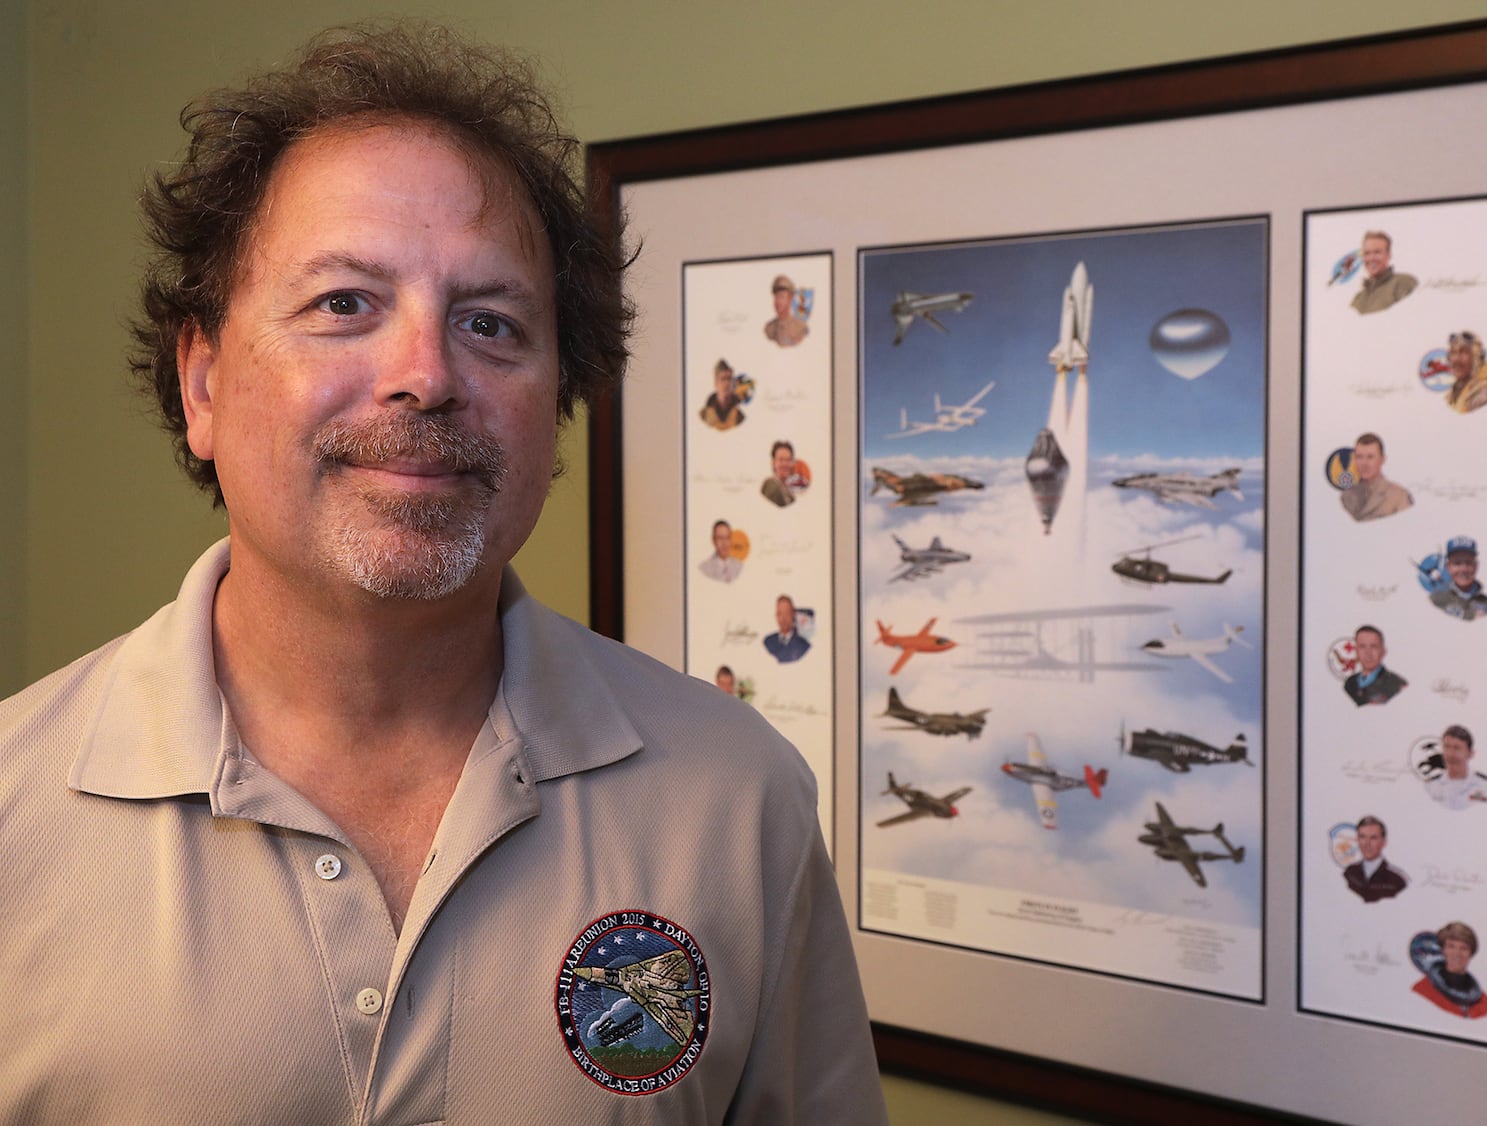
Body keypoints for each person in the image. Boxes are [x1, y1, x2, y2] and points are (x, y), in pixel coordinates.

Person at [0, 24, 885, 1123]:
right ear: (204, 383)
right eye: (344, 304)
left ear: (555, 404)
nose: (426, 374)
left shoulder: (738, 800)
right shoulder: (14, 816)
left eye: (490, 322)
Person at [1412, 922, 1487, 1019]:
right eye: (1451, 946)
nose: (1457, 954)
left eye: (1464, 948)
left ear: (1471, 953)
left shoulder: (1486, 1003)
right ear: (1443, 950)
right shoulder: (1422, 990)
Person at [1340, 432, 1414, 522]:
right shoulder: (1346, 495)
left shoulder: (1399, 496)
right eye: (1359, 457)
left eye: (1370, 457)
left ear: (1382, 460)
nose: (1364, 463)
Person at [1423, 725, 1487, 809]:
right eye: (1447, 747)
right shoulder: (1430, 785)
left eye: (1457, 748)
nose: (1450, 754)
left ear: (1470, 753)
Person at [1428, 535, 1487, 621]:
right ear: (1448, 567)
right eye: (1457, 563)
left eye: (1468, 563)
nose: (1463, 569)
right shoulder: (1436, 599)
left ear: (1476, 566)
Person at [1349, 230, 1418, 315]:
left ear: (1388, 255)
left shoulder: (1403, 283)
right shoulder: (1358, 299)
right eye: (1367, 253)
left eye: (1377, 252)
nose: (1371, 258)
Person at [1343, 816, 1407, 902]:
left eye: (1373, 838)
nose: (1367, 843)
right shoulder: (1349, 873)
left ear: (1384, 842)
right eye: (1362, 837)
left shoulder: (1398, 879)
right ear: (1357, 839)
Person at [1343, 624, 1408, 706]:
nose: (1368, 653)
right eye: (1362, 646)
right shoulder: (1349, 683)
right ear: (1356, 651)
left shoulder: (1396, 684)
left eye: (1373, 646)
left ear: (1383, 651)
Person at [1444, 330, 1487, 413]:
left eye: (1463, 352)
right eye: (1453, 353)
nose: (1456, 359)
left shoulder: (1486, 392)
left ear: (1476, 358)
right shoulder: (1452, 393)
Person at [764, 274, 810, 347]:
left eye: (782, 297)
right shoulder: (769, 328)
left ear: (790, 299)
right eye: (776, 297)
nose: (778, 302)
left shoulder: (800, 327)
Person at [699, 358, 745, 430]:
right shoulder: (704, 414)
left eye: (729, 379)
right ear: (715, 383)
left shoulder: (739, 416)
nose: (726, 383)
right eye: (723, 379)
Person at [763, 595, 811, 663]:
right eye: (780, 614)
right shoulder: (767, 642)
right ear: (776, 616)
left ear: (793, 615)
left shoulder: (804, 646)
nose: (783, 619)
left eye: (787, 613)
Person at [761, 439, 806, 507]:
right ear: (773, 462)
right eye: (781, 460)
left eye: (788, 460)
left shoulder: (789, 491)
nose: (785, 464)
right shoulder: (771, 486)